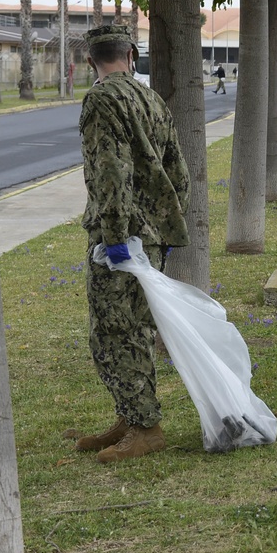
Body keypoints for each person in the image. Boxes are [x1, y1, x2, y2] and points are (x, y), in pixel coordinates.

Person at [75, 24, 190, 463]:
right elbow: (178, 169)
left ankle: (145, 427)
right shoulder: (151, 98)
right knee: (135, 328)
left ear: (91, 61)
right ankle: (130, 416)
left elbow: (110, 172)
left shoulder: (102, 99)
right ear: (131, 54)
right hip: (153, 236)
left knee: (111, 332)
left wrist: (115, 236)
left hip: (122, 238)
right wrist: (168, 226)